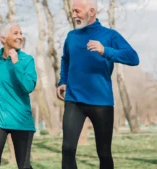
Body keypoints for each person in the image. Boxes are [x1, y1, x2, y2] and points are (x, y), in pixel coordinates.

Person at [56, 0, 139, 169]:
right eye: (73, 11)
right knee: (68, 149)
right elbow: (66, 60)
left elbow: (133, 58)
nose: (73, 15)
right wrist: (63, 81)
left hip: (101, 102)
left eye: (77, 11)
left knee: (104, 153)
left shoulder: (110, 35)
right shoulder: (71, 36)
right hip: (74, 100)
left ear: (91, 11)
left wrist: (105, 51)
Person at [0, 22, 37, 169]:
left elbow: (28, 87)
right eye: (16, 33)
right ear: (3, 38)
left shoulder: (27, 60)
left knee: (24, 166)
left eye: (20, 33)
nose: (20, 37)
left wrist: (16, 63)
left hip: (21, 119)